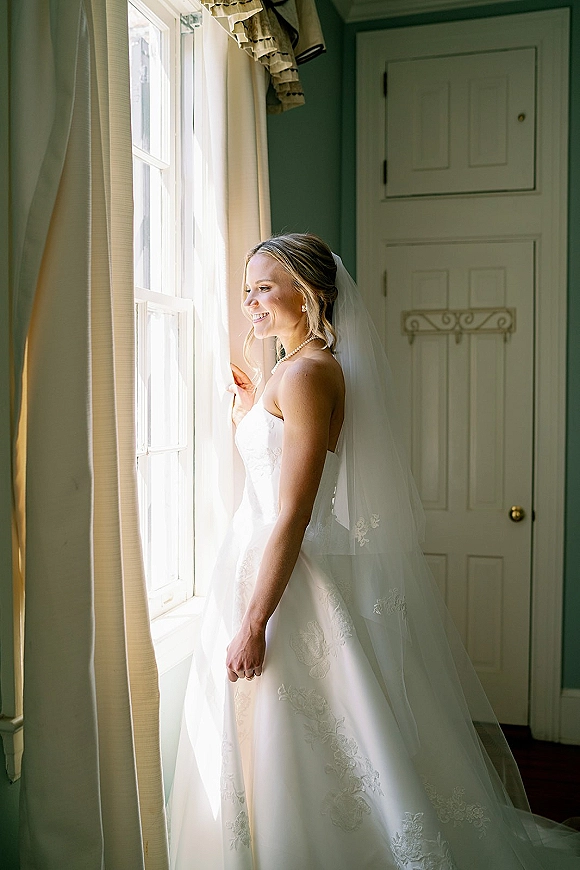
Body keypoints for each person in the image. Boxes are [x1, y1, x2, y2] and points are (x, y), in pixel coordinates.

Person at [169, 233, 580, 869]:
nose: (249, 302)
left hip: (287, 577)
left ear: (308, 295)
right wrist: (252, 406)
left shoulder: (307, 374)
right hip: (258, 563)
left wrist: (255, 622)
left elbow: (293, 512)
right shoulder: (291, 370)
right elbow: (275, 461)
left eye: (263, 288)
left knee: (312, 736)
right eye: (246, 289)